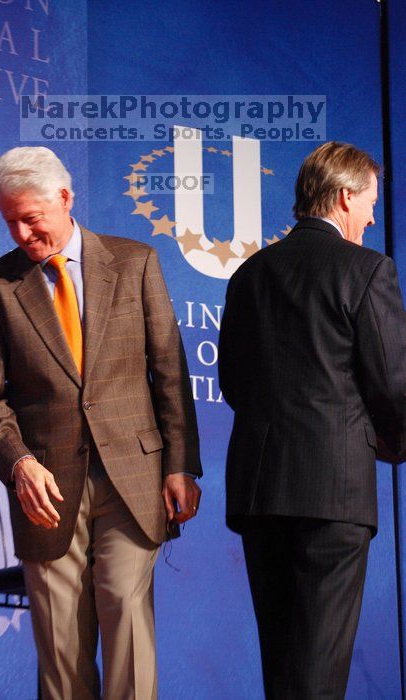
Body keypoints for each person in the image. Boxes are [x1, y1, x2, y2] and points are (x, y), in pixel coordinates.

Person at [0, 146, 202, 700]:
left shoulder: (136, 260)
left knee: (127, 616)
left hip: (134, 475)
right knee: (62, 648)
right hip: (45, 488)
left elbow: (169, 371)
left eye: (32, 217)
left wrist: (180, 466)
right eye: (10, 221)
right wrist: (18, 461)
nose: (22, 233)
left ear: (65, 199)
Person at [218, 141, 405, 699]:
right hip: (335, 495)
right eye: (370, 200)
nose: (374, 214)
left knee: (283, 671)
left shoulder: (248, 275)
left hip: (260, 493)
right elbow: (394, 386)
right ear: (345, 197)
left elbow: (233, 384)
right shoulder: (368, 270)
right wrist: (390, 443)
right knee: (319, 674)